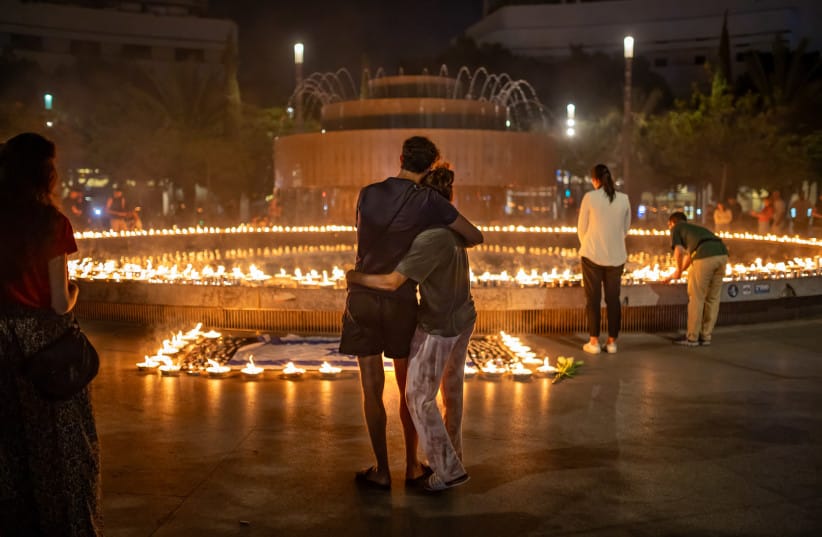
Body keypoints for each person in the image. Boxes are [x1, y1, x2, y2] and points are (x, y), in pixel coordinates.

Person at [339, 136, 483, 490]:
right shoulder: (429, 201)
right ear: (431, 166)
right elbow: (473, 235)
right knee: (408, 389)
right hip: (399, 302)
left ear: (401, 157)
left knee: (371, 390)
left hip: (361, 299)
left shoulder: (367, 193)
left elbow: (364, 235)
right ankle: (412, 467)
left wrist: (355, 276)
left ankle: (381, 470)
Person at [0, 133, 101, 535]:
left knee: (11, 446)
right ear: (44, 174)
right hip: (44, 349)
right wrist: (75, 290)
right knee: (62, 446)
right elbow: (59, 303)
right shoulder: (52, 224)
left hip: (2, 347)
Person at [577, 164, 631, 355]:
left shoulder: (590, 197)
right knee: (613, 299)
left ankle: (593, 341)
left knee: (593, 299)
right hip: (616, 256)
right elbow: (625, 228)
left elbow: (581, 228)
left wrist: (590, 244)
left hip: (592, 255)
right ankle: (612, 342)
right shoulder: (624, 199)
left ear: (595, 180)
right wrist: (613, 242)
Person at [664, 211, 729, 347]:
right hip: (722, 254)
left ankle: (692, 337)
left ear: (672, 222)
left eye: (669, 225)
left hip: (704, 256)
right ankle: (706, 336)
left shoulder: (676, 228)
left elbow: (678, 251)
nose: (669, 228)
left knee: (697, 297)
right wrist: (679, 272)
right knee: (713, 298)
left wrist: (678, 270)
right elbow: (690, 256)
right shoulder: (696, 230)